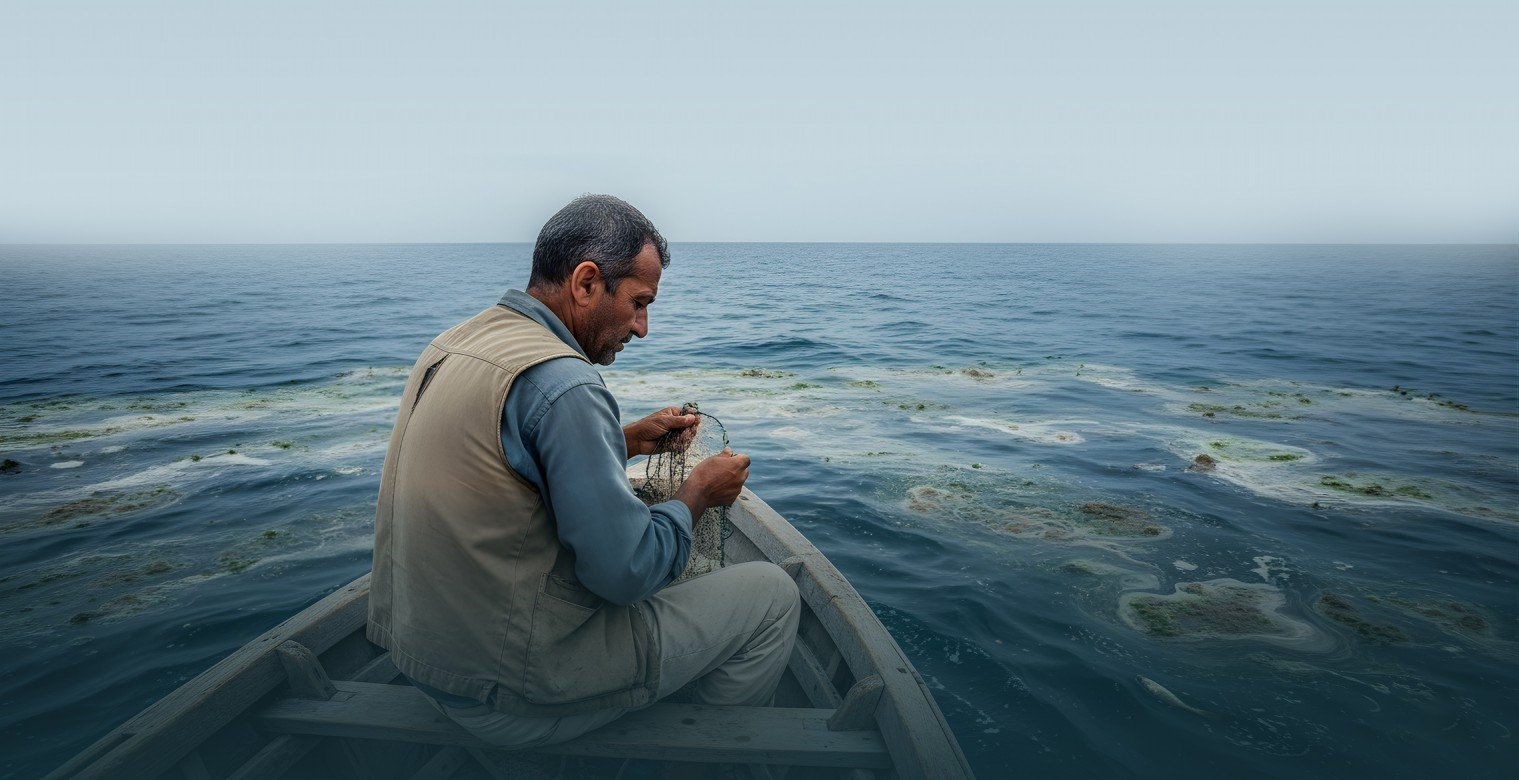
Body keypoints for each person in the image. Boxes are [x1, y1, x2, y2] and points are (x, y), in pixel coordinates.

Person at [367, 194, 800, 749]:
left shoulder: (455, 344)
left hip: (426, 668)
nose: (643, 328)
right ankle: (707, 756)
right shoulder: (565, 382)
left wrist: (625, 441)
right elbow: (625, 575)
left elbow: (506, 470)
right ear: (587, 282)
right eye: (640, 302)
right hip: (512, 697)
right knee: (772, 594)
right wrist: (696, 493)